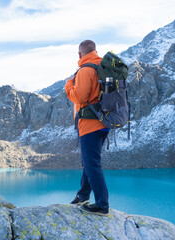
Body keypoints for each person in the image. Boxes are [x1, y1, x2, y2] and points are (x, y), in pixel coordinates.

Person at [64, 40, 109, 216]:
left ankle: (102, 205)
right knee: (88, 161)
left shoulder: (85, 70)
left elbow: (80, 97)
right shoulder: (102, 66)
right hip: (104, 122)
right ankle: (83, 195)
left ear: (79, 54)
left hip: (89, 123)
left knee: (92, 163)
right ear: (95, 51)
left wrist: (69, 85)